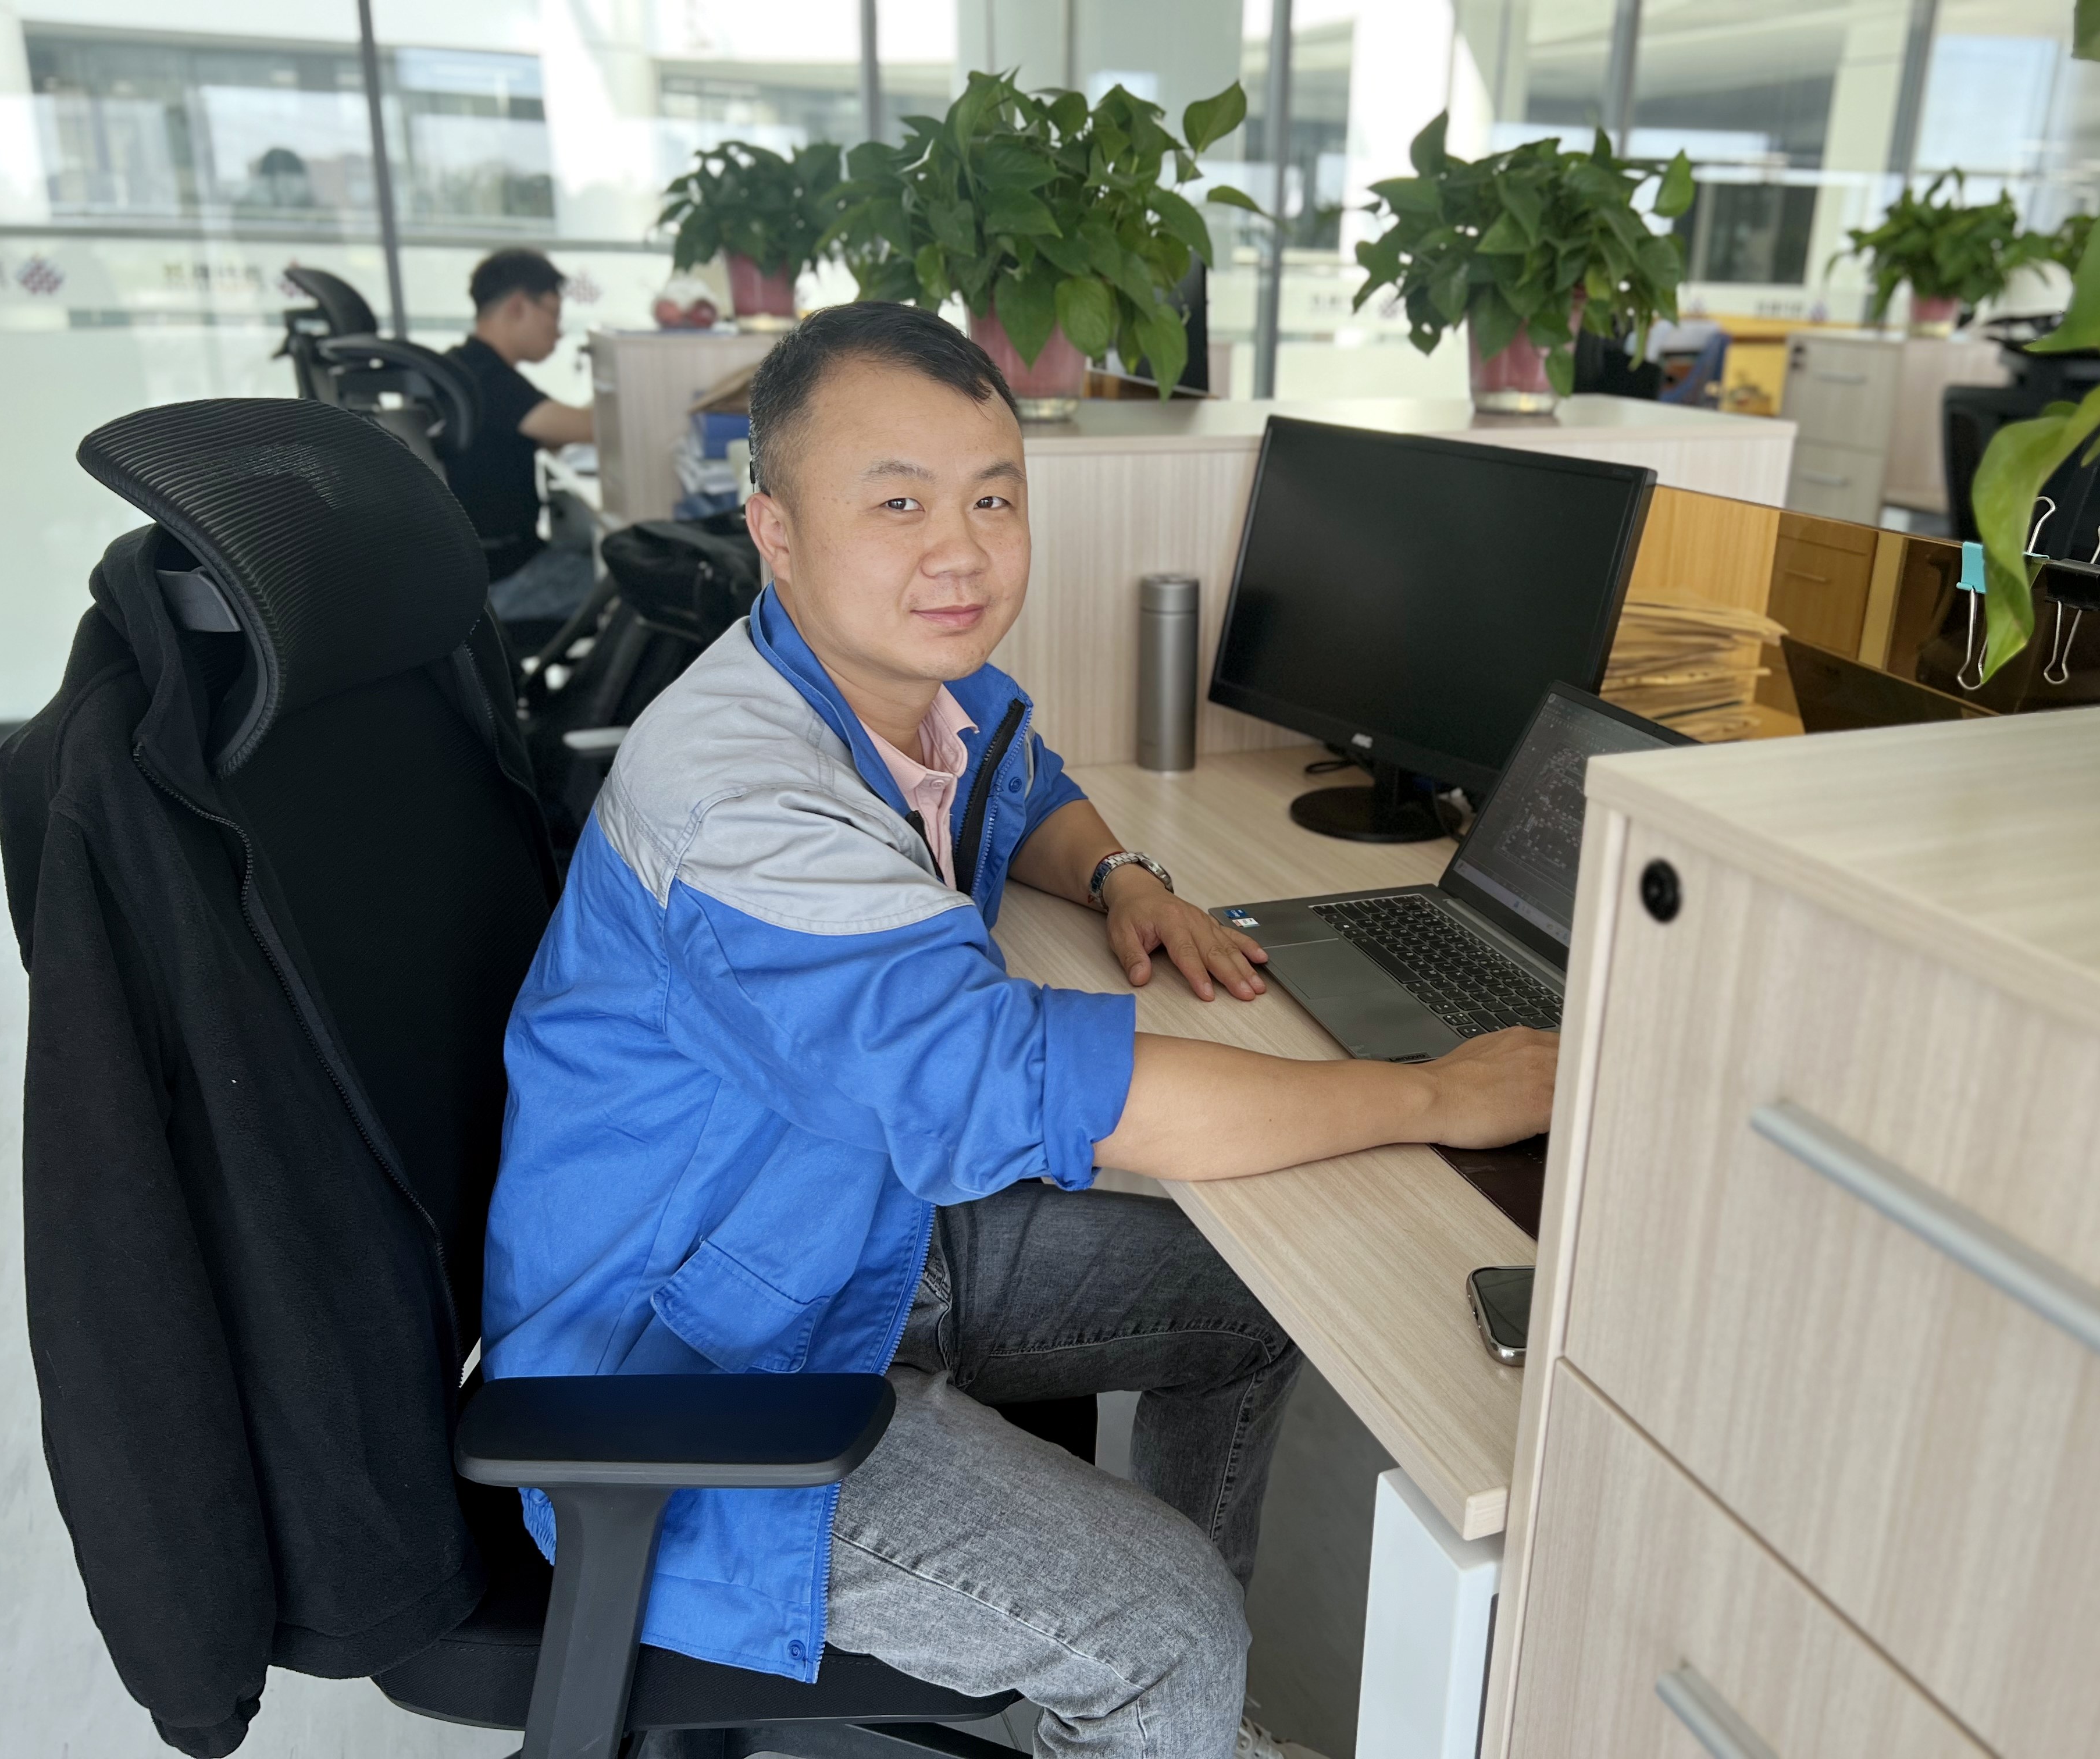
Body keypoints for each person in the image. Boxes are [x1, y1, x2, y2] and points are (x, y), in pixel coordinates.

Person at [482, 301, 1557, 1758]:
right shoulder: (745, 804)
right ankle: (1157, 1681)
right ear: (776, 531)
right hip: (692, 1374)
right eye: (899, 503)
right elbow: (1032, 1087)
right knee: (1168, 1623)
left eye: (994, 500)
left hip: (829, 1230)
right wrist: (1435, 1095)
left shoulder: (898, 688)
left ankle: (1158, 1720)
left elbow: (1022, 778)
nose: (962, 551)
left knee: (1248, 1298)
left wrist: (1124, 879)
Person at [443, 247, 597, 632]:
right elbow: (587, 428)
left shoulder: (461, 366)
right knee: (639, 581)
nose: (558, 332)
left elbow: (549, 433)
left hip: (480, 573)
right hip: (505, 583)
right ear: (518, 306)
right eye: (554, 315)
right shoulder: (486, 379)